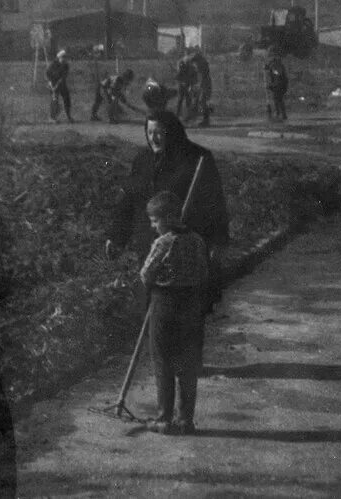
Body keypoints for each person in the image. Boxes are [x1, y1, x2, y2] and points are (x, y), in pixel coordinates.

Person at [107, 109, 230, 312]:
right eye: (149, 132)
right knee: (152, 306)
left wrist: (219, 239)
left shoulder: (196, 159)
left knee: (185, 309)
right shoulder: (143, 160)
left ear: (171, 132)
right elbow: (129, 200)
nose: (153, 138)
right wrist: (116, 236)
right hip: (149, 244)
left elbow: (215, 202)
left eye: (159, 132)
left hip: (184, 245)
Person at [139, 191, 209, 436]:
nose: (152, 225)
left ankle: (164, 419)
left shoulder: (164, 242)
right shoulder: (198, 240)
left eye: (155, 220)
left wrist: (163, 280)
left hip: (165, 306)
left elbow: (146, 275)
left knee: (163, 363)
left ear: (168, 218)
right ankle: (185, 420)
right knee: (188, 366)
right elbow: (203, 273)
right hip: (191, 306)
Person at [45, 49, 73, 123]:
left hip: (61, 84)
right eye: (63, 57)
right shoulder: (53, 64)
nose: (64, 59)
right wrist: (50, 82)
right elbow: (48, 74)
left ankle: (68, 116)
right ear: (59, 57)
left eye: (65, 58)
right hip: (53, 84)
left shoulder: (66, 65)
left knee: (67, 99)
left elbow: (64, 75)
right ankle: (52, 118)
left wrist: (60, 81)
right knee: (54, 100)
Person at [188, 49, 213, 127]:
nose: (195, 65)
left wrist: (199, 86)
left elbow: (202, 77)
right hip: (205, 84)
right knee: (202, 102)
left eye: (195, 63)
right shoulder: (202, 63)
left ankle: (206, 120)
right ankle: (205, 120)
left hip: (205, 85)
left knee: (203, 102)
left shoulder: (201, 65)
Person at [264, 49, 289, 121]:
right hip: (278, 84)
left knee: (278, 99)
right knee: (277, 99)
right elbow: (274, 72)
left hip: (280, 84)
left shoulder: (277, 64)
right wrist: (268, 68)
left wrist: (272, 85)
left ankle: (281, 114)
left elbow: (277, 73)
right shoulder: (273, 64)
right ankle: (280, 114)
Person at [175, 53, 196, 120]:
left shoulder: (192, 67)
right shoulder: (181, 65)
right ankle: (177, 115)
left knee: (188, 100)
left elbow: (194, 77)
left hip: (188, 85)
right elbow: (178, 76)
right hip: (182, 85)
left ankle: (188, 116)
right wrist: (182, 82)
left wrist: (191, 85)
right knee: (180, 100)